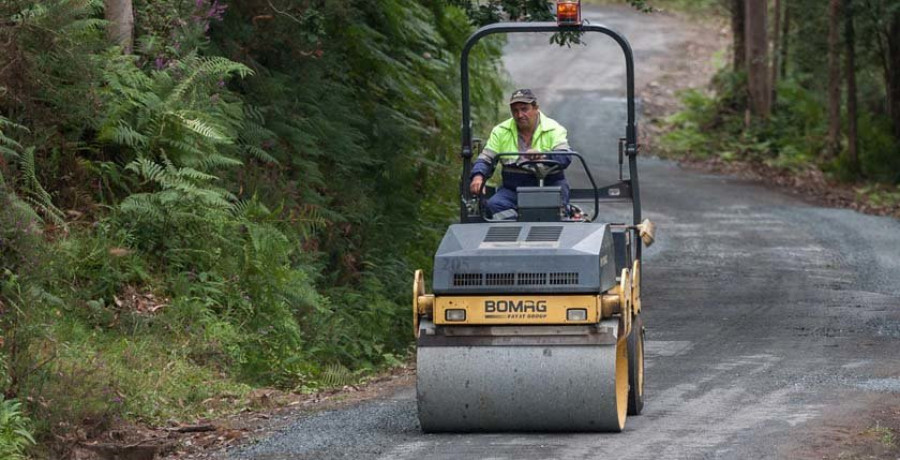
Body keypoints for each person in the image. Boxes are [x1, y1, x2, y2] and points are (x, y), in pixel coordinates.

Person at [469, 89, 572, 220]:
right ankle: (513, 231)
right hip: (514, 188)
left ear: (536, 108)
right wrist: (478, 176)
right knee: (494, 205)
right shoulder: (501, 131)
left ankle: (552, 227)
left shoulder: (554, 129)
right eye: (515, 111)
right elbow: (486, 158)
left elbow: (565, 157)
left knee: (555, 213)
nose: (520, 115)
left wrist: (543, 156)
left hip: (549, 187)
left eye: (524, 109)